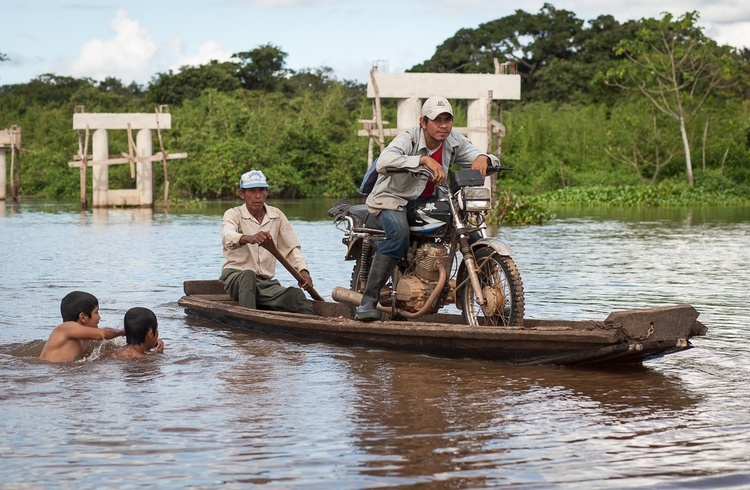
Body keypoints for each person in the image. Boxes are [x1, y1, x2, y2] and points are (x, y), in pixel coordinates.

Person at [355, 96, 500, 322]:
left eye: (447, 119)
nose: (443, 125)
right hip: (393, 199)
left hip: (430, 201)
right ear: (423, 122)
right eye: (437, 120)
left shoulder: (452, 140)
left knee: (471, 235)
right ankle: (368, 302)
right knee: (399, 234)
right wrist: (423, 160)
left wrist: (483, 158)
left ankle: (495, 301)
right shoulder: (408, 138)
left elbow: (479, 155)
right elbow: (384, 161)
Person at [220, 169, 315, 315]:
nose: (257, 196)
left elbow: (292, 248)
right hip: (236, 278)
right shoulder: (233, 214)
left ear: (267, 192)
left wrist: (303, 271)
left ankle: (313, 327)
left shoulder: (276, 216)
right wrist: (249, 238)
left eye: (261, 190)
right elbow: (228, 235)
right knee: (248, 275)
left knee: (296, 296)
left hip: (264, 284)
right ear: (241, 194)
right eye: (251, 191)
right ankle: (249, 323)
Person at [39, 291, 125, 362]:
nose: (99, 317)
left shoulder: (87, 337)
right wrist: (122, 332)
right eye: (96, 312)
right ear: (83, 317)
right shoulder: (66, 328)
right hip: (50, 373)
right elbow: (101, 334)